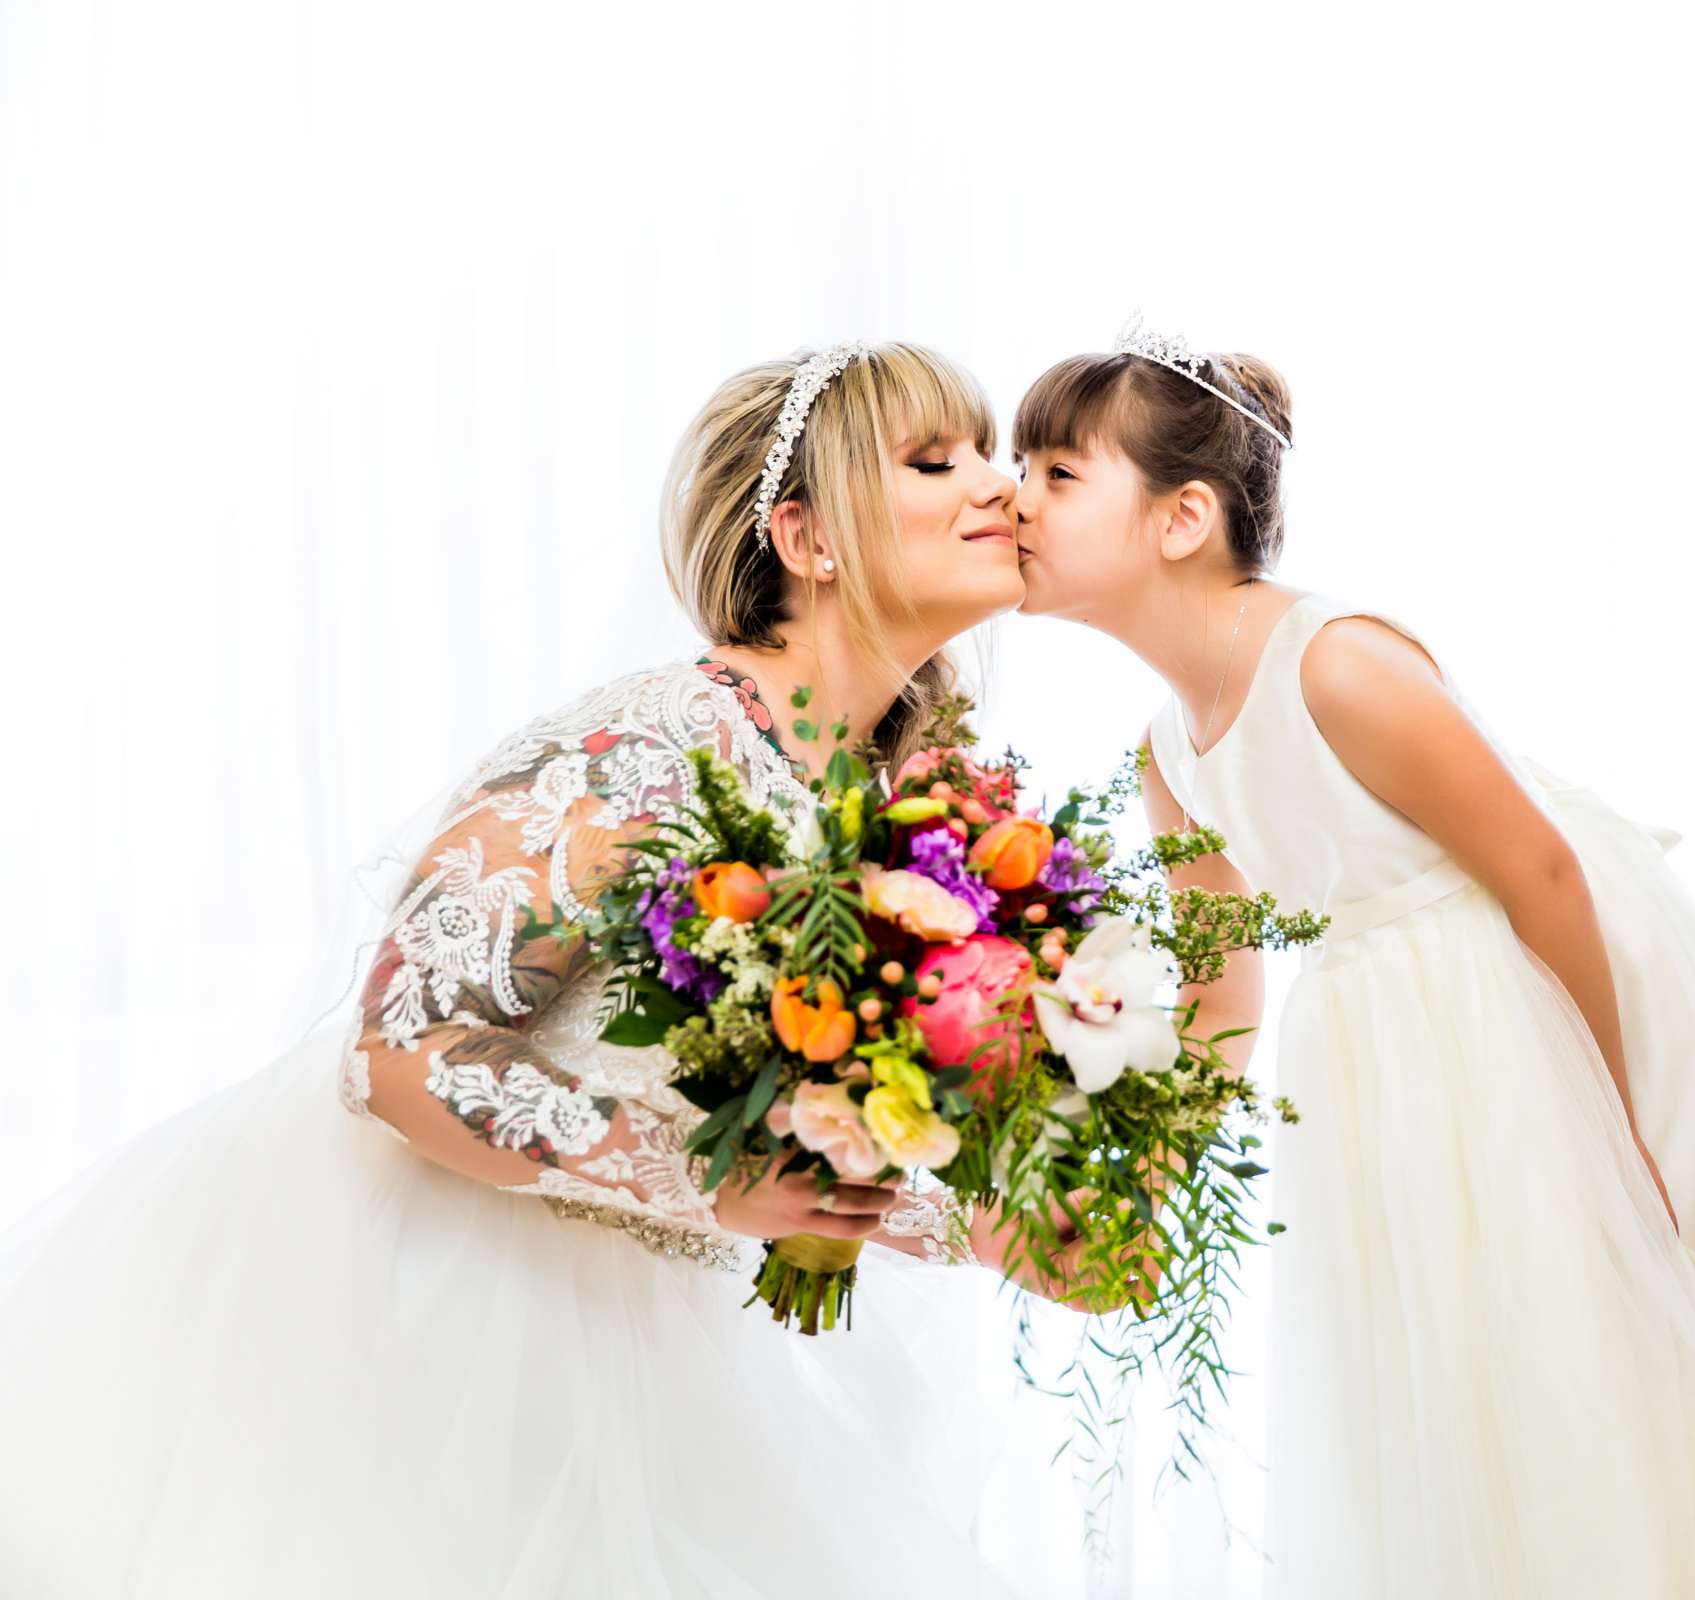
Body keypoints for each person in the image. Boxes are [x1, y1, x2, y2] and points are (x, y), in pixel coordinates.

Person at [0, 341, 1052, 1597]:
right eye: (939, 460)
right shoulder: (649, 749)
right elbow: (396, 1054)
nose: (1000, 486)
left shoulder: (898, 816)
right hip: (428, 1329)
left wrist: (989, 1217)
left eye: (994, 454)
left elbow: (811, 1125)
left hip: (660, 1355)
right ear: (806, 538)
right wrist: (708, 1184)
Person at [1006, 321, 1695, 1596]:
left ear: (1182, 520)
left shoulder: (1334, 664)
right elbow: (1223, 987)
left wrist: (1620, 1130)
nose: (1014, 498)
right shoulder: (1167, 755)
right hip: (1386, 1063)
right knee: (1461, 1397)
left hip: (1527, 1003)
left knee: (1586, 1361)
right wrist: (1150, 1169)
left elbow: (1541, 871)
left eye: (1058, 474)